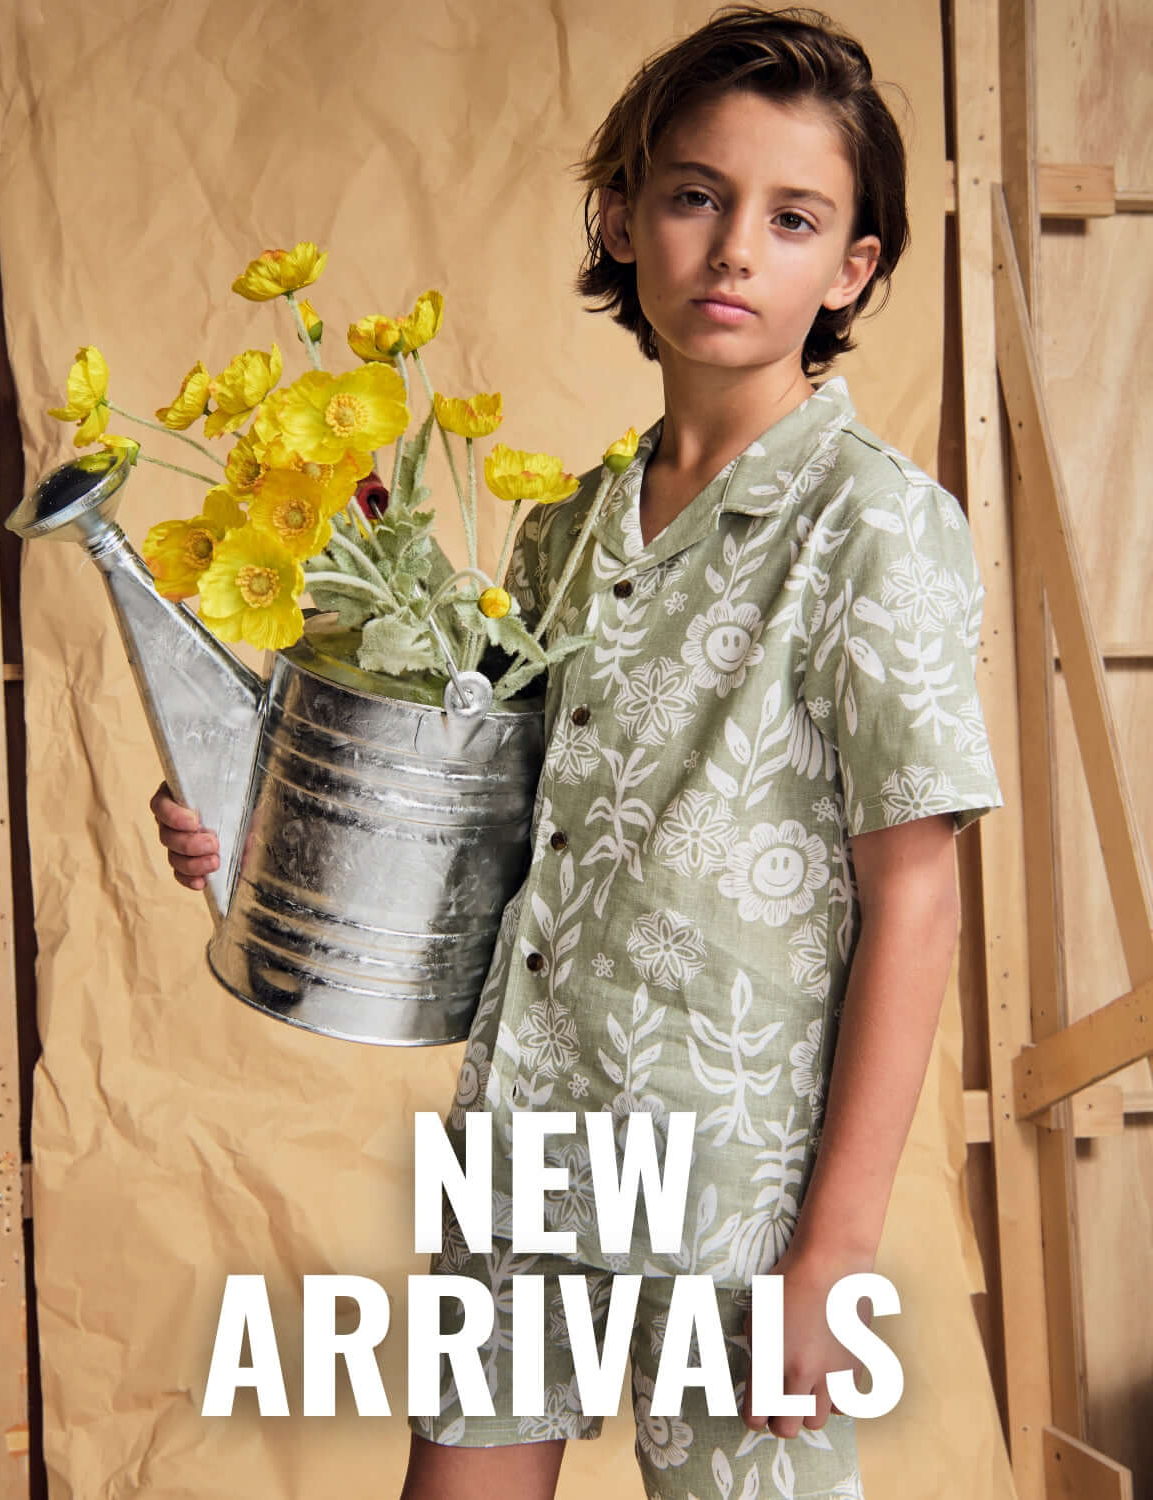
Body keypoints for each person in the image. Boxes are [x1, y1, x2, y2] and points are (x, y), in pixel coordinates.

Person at [152, 6, 1003, 1496]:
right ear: (621, 217)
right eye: (696, 196)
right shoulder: (562, 531)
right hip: (532, 1124)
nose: (733, 250)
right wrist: (266, 823)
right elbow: (487, 831)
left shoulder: (877, 526)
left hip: (739, 1170)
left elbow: (916, 894)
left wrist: (834, 1255)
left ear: (852, 269)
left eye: (793, 218)